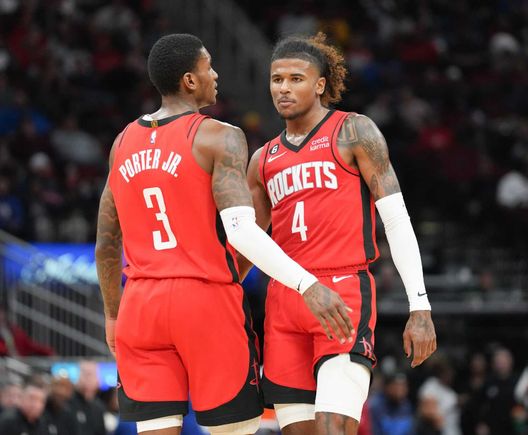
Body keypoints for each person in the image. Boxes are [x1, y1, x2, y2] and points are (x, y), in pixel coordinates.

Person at [95, 33, 353, 435]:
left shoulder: (122, 142)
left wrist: (113, 314)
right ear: (190, 81)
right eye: (208, 67)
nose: (215, 75)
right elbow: (241, 231)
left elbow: (106, 243)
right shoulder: (219, 135)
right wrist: (306, 284)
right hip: (205, 299)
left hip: (139, 306)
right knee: (236, 429)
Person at [238, 32, 436, 435]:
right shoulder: (262, 160)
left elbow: (396, 220)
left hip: (343, 290)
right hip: (284, 301)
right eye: (277, 79)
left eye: (296, 79)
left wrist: (420, 307)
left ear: (320, 84)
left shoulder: (354, 131)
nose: (284, 88)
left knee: (333, 426)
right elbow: (247, 246)